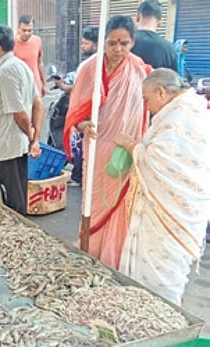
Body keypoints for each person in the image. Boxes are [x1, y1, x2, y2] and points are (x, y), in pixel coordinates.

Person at [63, 15, 151, 268]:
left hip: (125, 150)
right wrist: (81, 124)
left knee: (121, 206)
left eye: (124, 43)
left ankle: (114, 259)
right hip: (98, 146)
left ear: (133, 42)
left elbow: (143, 111)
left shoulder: (139, 70)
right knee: (93, 202)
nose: (117, 49)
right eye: (112, 43)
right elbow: (76, 109)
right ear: (103, 42)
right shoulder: (90, 68)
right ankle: (91, 254)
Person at [115, 68, 210, 305]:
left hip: (172, 211)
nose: (146, 106)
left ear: (161, 92)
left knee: (162, 274)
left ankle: (161, 315)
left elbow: (159, 162)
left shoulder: (181, 116)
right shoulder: (188, 108)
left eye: (146, 99)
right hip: (176, 207)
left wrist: (130, 145)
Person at [0, 24, 44, 214]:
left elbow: (20, 114)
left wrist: (33, 136)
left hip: (7, 148)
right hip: (12, 146)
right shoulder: (20, 65)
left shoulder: (6, 71)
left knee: (13, 203)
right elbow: (38, 103)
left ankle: (20, 237)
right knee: (17, 196)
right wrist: (34, 137)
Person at [52, 26, 99, 187]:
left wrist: (61, 85)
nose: (82, 46)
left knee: (79, 144)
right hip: (94, 110)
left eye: (85, 43)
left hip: (84, 110)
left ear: (96, 44)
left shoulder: (90, 64)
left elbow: (76, 88)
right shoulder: (99, 62)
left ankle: (78, 176)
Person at [131, 0, 178, 71]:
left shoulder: (124, 43)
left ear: (137, 17)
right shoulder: (169, 49)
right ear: (160, 23)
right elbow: (173, 79)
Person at [14, 14, 46, 96]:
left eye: (30, 30)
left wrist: (44, 84)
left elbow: (40, 63)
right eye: (24, 30)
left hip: (35, 86)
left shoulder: (37, 41)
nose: (27, 33)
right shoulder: (12, 44)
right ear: (18, 28)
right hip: (19, 88)